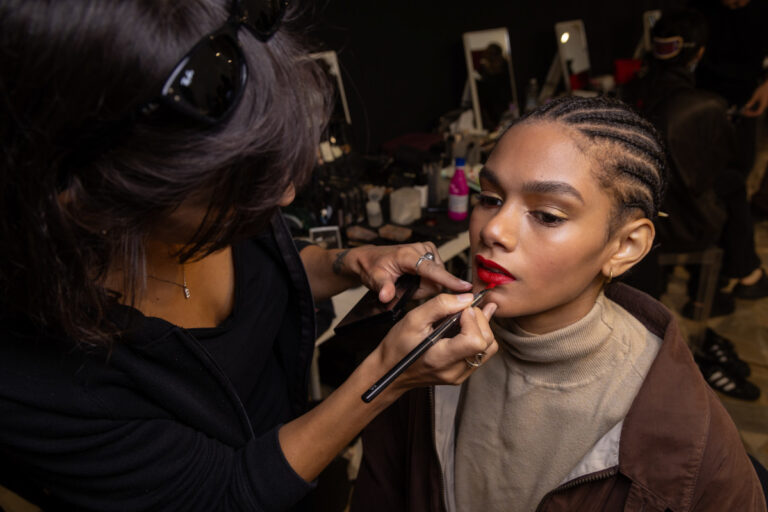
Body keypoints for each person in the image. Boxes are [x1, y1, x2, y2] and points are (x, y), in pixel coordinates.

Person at [0, 1, 500, 510]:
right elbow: (225, 493)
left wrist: (346, 263)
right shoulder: (30, 383)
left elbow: (270, 270)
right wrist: (389, 375)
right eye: (243, 185)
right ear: (108, 198)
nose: (282, 196)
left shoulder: (213, 195)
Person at [351, 96, 766, 512]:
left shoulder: (693, 440)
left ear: (624, 246)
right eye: (489, 197)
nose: (494, 229)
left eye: (547, 215)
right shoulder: (424, 354)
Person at [621, 8, 763, 400]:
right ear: (697, 55)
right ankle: (743, 270)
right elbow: (727, 166)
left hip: (639, 214)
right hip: (678, 225)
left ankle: (737, 277)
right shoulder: (706, 106)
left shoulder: (627, 92)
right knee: (734, 187)